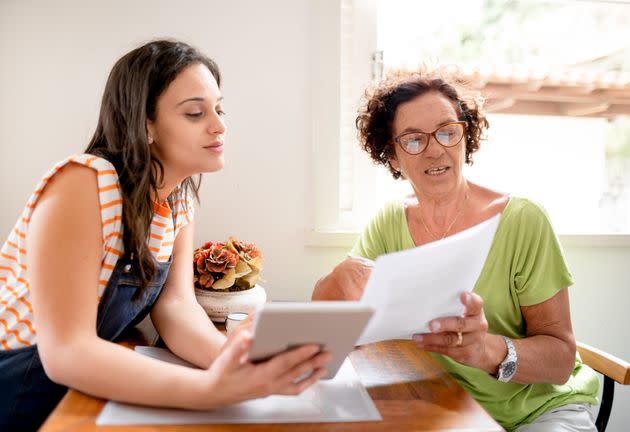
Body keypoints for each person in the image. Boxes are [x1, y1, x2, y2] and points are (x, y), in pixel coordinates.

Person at [0, 39, 330, 431]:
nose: (219, 125)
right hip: (17, 385)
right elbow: (66, 350)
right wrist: (209, 389)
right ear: (146, 125)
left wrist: (240, 365)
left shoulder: (178, 200)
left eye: (219, 109)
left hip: (80, 387)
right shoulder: (84, 182)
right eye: (195, 113)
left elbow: (175, 308)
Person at [312, 69, 599, 431]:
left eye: (448, 132)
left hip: (540, 412)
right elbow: (330, 319)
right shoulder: (389, 222)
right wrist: (336, 279)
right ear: (394, 156)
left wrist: (487, 351)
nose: (435, 149)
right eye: (414, 139)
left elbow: (559, 359)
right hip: (448, 408)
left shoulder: (523, 220)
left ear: (466, 138)